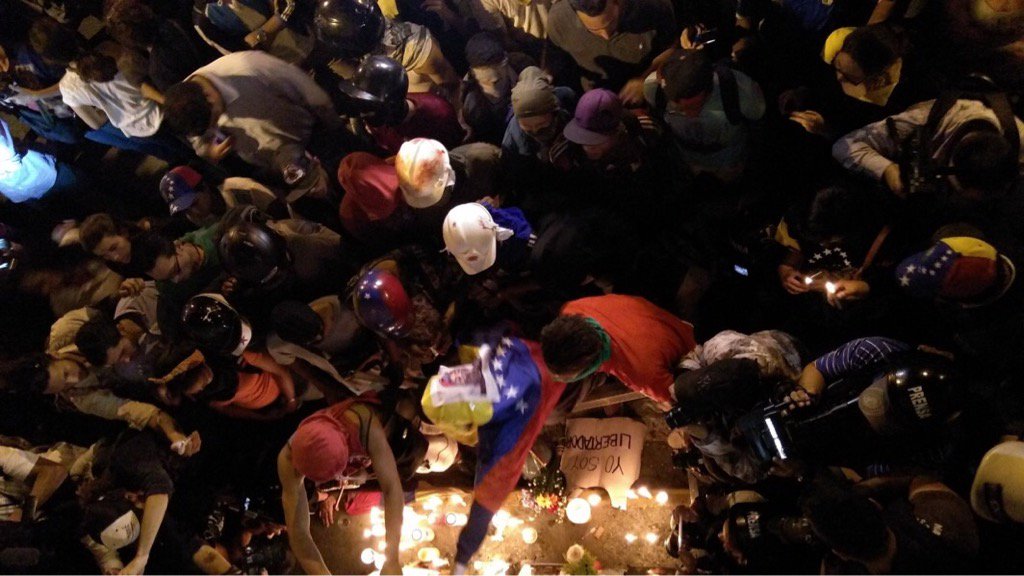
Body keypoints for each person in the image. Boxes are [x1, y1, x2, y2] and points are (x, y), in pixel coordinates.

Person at [29, 18, 189, 162]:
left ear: (50, 59)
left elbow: (96, 123)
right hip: (162, 104)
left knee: (178, 156)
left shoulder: (68, 90)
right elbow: (144, 67)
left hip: (139, 128)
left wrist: (108, 106)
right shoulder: (108, 48)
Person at [277, 397, 405, 574]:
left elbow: (392, 488)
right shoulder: (288, 460)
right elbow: (297, 532)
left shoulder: (364, 423)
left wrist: (392, 558)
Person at [162, 50, 342, 171]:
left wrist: (335, 129)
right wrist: (208, 152)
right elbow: (199, 142)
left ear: (208, 95)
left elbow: (314, 96)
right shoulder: (186, 106)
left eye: (215, 118)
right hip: (279, 166)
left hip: (317, 140)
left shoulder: (249, 67)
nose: (217, 125)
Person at [0, 353, 202, 456]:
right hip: (157, 376)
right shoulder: (83, 399)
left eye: (65, 373)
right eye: (63, 387)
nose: (73, 380)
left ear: (55, 356)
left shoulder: (69, 332)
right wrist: (174, 436)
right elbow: (137, 412)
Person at [540, 294, 696, 404]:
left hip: (690, 346)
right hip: (661, 320)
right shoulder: (571, 309)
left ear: (590, 367)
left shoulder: (641, 375)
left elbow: (673, 398)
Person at [804, 477, 979, 573]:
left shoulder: (834, 569)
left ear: (841, 554)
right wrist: (867, 488)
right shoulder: (947, 521)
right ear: (876, 505)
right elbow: (919, 481)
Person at [644, 49, 766, 183]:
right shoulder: (653, 90)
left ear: (709, 89)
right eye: (678, 107)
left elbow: (758, 115)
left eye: (694, 106)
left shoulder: (737, 89)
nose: (690, 115)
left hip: (730, 164)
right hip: (689, 164)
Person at [546, 0, 678, 102]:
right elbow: (557, 63)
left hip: (646, 95)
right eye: (594, 30)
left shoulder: (653, 6)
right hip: (594, 101)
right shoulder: (559, 19)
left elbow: (672, 48)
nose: (606, 35)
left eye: (611, 23)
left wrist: (645, 80)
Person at [335, 55, 464, 155]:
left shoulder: (439, 115)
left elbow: (457, 152)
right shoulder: (378, 120)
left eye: (368, 106)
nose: (362, 113)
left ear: (389, 104)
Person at [394, 138, 504, 244]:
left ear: (446, 177)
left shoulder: (484, 159)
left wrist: (498, 204)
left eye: (431, 196)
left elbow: (514, 184)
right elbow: (436, 231)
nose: (433, 204)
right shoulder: (417, 198)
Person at [268, 297, 376, 396]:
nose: (320, 338)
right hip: (352, 386)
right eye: (311, 341)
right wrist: (328, 390)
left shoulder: (351, 310)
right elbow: (300, 367)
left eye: (320, 331)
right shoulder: (278, 344)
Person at [159, 165, 287, 228]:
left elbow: (282, 212)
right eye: (185, 210)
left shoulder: (242, 189)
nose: (193, 212)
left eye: (194, 203)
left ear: (205, 187)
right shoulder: (197, 218)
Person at [459, 33, 517, 145]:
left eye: (496, 82)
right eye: (483, 83)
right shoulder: (469, 102)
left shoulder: (522, 67)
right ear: (472, 71)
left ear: (504, 62)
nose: (492, 89)